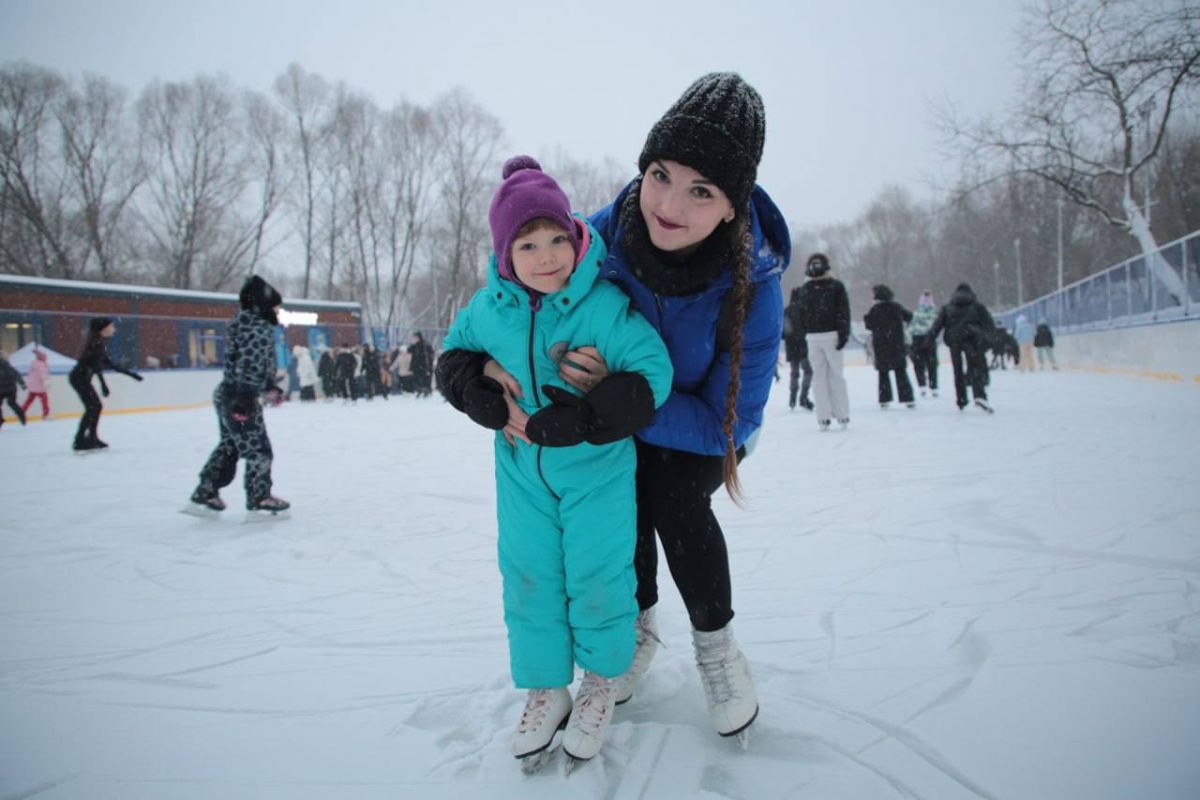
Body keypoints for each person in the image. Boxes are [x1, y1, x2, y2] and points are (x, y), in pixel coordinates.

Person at [483, 74, 789, 744]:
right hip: (607, 418)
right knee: (606, 486)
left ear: (732, 207)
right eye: (660, 174)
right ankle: (636, 626)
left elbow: (726, 421)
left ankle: (718, 650)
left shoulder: (754, 289)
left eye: (702, 190)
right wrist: (485, 363)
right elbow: (516, 284)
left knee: (668, 492)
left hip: (704, 431)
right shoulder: (594, 242)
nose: (670, 203)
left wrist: (618, 399)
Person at [436, 155, 674, 766]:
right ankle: (547, 689)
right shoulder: (489, 309)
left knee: (599, 576)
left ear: (574, 238)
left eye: (555, 240)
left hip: (596, 472)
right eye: (527, 245)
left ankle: (599, 684)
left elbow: (653, 372)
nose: (546, 257)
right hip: (521, 475)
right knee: (529, 577)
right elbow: (452, 358)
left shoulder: (601, 303)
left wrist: (590, 417)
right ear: (504, 255)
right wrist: (479, 384)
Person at [187, 276, 290, 515]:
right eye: (275, 305)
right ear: (262, 304)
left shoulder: (243, 324)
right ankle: (259, 497)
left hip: (228, 393)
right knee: (258, 450)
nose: (277, 310)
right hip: (239, 397)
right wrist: (246, 397)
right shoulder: (257, 329)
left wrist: (267, 388)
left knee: (230, 446)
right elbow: (249, 364)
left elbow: (246, 365)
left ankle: (206, 489)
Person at [792, 252, 850, 430]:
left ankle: (824, 417)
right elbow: (843, 312)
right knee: (835, 376)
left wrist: (802, 336)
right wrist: (843, 333)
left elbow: (799, 315)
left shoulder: (806, 288)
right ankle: (841, 415)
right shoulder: (834, 286)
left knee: (820, 377)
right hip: (828, 335)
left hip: (815, 336)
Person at [69, 318, 142, 451]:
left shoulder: (97, 342)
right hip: (79, 378)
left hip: (81, 377)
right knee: (94, 406)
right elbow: (96, 366)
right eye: (111, 326)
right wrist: (103, 384)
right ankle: (81, 440)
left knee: (94, 407)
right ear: (104, 328)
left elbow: (109, 364)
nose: (114, 329)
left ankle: (89, 437)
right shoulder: (95, 343)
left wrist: (131, 374)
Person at [926, 283, 995, 413]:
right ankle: (979, 395)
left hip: (954, 340)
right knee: (975, 367)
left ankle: (961, 399)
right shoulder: (977, 306)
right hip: (972, 339)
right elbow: (989, 324)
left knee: (957, 370)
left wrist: (929, 338)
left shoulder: (947, 307)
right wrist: (989, 340)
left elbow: (938, 324)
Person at [863, 284, 915, 409]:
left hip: (881, 344)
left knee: (883, 372)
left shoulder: (875, 309)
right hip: (896, 343)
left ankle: (884, 399)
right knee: (900, 371)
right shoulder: (896, 307)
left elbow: (868, 325)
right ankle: (907, 398)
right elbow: (909, 316)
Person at [781, 286, 813, 410]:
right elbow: (808, 326)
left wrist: (789, 338)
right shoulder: (804, 309)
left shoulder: (786, 311)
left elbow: (783, 331)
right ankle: (803, 396)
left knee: (794, 373)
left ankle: (792, 398)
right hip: (803, 344)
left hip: (791, 345)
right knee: (808, 371)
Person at [908, 290, 940, 397]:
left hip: (918, 338)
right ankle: (932, 386)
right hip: (927, 339)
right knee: (930, 363)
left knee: (920, 364)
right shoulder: (933, 312)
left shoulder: (917, 312)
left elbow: (911, 327)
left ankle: (924, 385)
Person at [20, 348, 52, 419]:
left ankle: (21, 412)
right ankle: (46, 414)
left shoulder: (34, 364)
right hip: (39, 387)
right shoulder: (41, 365)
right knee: (44, 401)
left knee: (29, 400)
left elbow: (31, 375)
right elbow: (43, 375)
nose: (46, 358)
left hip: (32, 387)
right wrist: (46, 383)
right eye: (45, 357)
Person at [0, 349, 27, 429]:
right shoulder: (9, 367)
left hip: (1, 389)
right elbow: (17, 375)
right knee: (12, 403)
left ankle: (0, 420)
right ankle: (22, 416)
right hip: (11, 389)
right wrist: (22, 384)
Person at [409, 332, 434, 397]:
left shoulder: (424, 345)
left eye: (415, 337)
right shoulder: (415, 345)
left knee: (423, 380)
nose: (414, 339)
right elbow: (409, 350)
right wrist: (412, 344)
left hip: (423, 366)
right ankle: (420, 391)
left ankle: (426, 391)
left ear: (418, 337)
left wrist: (428, 368)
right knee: (416, 380)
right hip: (417, 366)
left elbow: (428, 357)